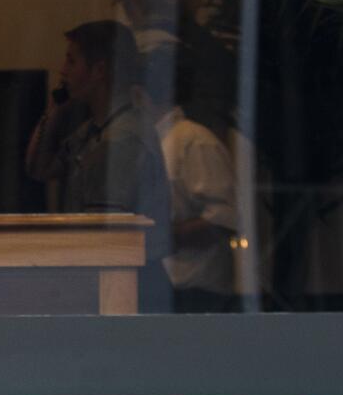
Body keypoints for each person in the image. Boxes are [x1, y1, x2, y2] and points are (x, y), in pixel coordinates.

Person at [24, 19, 173, 310]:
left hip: (127, 283)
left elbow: (101, 237)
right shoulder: (96, 130)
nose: (63, 71)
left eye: (71, 60)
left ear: (99, 70)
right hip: (115, 277)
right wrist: (53, 111)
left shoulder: (120, 141)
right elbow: (39, 168)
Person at [134, 44, 241, 312]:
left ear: (141, 93)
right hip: (161, 287)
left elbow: (224, 218)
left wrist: (157, 240)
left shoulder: (193, 140)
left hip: (195, 290)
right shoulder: (151, 143)